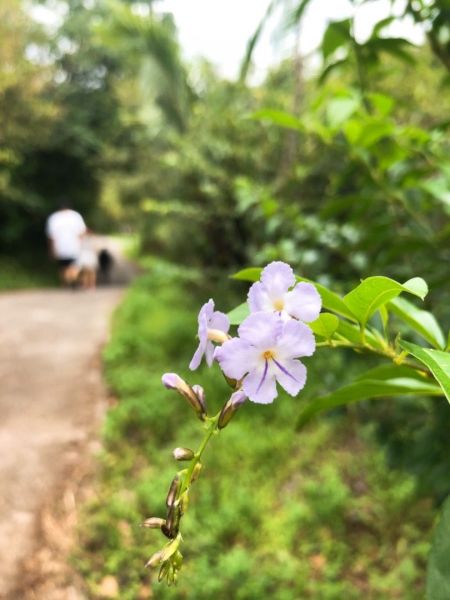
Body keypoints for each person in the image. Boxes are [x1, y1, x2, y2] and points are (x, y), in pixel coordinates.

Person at [46, 201, 87, 287]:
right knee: (73, 266)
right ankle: (73, 279)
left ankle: (65, 284)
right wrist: (81, 244)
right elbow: (82, 232)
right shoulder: (76, 216)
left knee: (62, 267)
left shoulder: (54, 217)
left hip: (59, 247)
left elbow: (51, 236)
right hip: (74, 247)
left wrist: (51, 250)